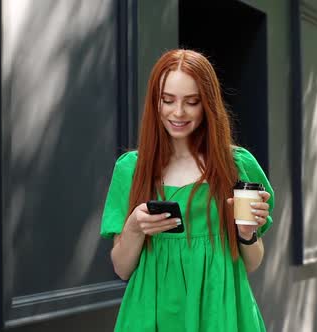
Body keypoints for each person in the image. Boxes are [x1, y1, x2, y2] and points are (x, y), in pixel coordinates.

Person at [100, 49, 274, 331]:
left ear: (207, 104)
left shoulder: (236, 166)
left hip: (221, 312)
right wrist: (134, 226)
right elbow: (122, 268)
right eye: (167, 100)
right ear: (155, 102)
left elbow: (252, 263)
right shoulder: (131, 169)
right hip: (152, 314)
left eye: (191, 102)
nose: (178, 112)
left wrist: (246, 233)